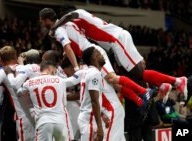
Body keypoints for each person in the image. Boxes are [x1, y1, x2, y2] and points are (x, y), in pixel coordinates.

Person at [50, 4, 188, 101]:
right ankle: (163, 85)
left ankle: (177, 81)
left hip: (116, 40)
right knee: (138, 72)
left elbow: (68, 17)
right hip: (117, 40)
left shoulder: (77, 13)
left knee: (137, 73)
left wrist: (54, 28)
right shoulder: (80, 24)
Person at [39, 8, 156, 112]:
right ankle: (140, 101)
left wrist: (75, 68)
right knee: (114, 84)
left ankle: (144, 91)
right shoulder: (66, 25)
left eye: (41, 20)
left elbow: (68, 48)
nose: (40, 23)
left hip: (92, 53)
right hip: (88, 55)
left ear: (46, 19)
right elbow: (70, 47)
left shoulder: (59, 29)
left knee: (112, 78)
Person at [17, 60, 71, 141]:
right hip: (60, 122)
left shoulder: (30, 82)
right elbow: (64, 103)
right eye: (54, 69)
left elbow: (19, 92)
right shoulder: (60, 80)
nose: (55, 72)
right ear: (50, 68)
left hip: (43, 122)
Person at [0, 46, 35, 141]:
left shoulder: (2, 72)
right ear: (15, 56)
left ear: (2, 61)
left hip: (22, 115)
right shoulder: (26, 68)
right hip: (36, 111)